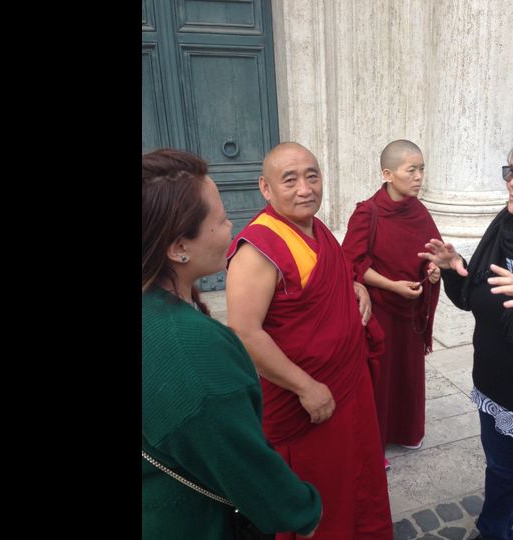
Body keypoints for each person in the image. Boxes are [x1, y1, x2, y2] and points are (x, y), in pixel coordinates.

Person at [142, 149, 322, 539]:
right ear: (178, 248)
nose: (230, 227)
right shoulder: (194, 351)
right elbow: (248, 468)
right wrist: (303, 511)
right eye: (221, 219)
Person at [226, 142, 393, 539]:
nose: (305, 189)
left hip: (348, 387)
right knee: (321, 487)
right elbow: (245, 332)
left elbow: (327, 275)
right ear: (265, 188)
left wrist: (354, 286)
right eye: (290, 179)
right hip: (307, 399)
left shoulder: (315, 228)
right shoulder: (258, 247)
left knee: (358, 475)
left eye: (312, 176)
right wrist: (306, 388)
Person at [418, 128, 513, 540]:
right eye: (511, 170)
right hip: (495, 394)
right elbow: (475, 301)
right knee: (502, 477)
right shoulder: (502, 230)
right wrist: (458, 269)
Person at [341, 140, 441, 468]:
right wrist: (391, 285)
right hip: (382, 309)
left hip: (410, 309)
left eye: (421, 169)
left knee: (407, 372)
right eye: (411, 170)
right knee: (379, 378)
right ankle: (375, 444)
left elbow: (432, 251)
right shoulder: (367, 212)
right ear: (388, 174)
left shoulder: (419, 209)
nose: (418, 177)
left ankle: (406, 431)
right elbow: (351, 262)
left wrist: (433, 270)